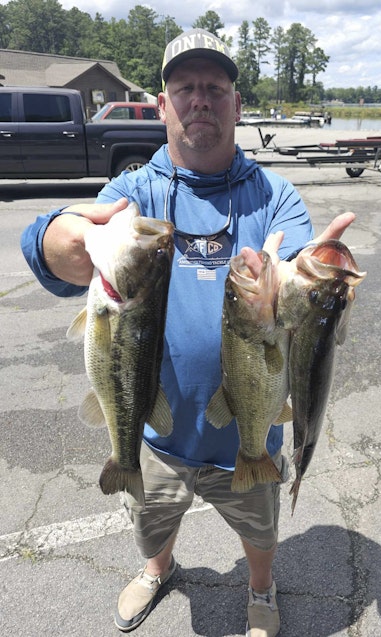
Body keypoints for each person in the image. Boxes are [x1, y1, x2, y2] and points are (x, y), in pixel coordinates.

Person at [21, 28, 354, 637]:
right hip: (156, 429)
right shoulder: (134, 192)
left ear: (237, 104)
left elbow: (299, 269)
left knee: (261, 529)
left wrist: (316, 280)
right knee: (151, 521)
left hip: (247, 431)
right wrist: (61, 239)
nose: (200, 99)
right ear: (162, 104)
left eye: (215, 88)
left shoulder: (274, 195)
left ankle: (261, 587)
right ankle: (158, 568)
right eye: (185, 88)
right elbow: (55, 238)